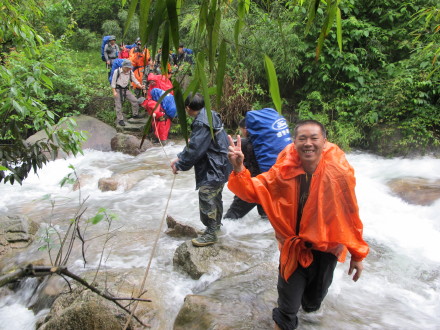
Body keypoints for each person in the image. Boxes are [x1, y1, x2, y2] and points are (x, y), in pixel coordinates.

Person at [227, 120, 369, 330]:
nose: (308, 143)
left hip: (326, 250)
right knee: (287, 310)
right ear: (294, 142)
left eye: (314, 138)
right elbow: (254, 191)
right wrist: (239, 168)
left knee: (312, 305)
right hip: (293, 249)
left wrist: (357, 254)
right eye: (302, 138)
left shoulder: (338, 173)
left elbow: (350, 214)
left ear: (324, 141)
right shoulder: (283, 170)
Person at [171, 93, 232, 247]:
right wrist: (180, 156)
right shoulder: (210, 115)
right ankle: (215, 227)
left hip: (215, 166)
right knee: (215, 195)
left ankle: (211, 233)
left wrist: (180, 165)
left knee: (206, 194)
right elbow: (196, 143)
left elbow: (196, 149)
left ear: (187, 108)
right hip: (223, 163)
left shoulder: (201, 123)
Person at [224, 118, 266, 219]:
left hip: (250, 184)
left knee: (231, 218)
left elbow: (225, 148)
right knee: (266, 218)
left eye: (241, 129)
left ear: (246, 129)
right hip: (266, 185)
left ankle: (224, 235)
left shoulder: (244, 143)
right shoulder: (265, 143)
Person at [139, 71, 174, 143]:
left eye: (152, 81)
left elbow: (157, 104)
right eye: (150, 82)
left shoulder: (162, 83)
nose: (151, 83)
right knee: (157, 127)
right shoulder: (151, 91)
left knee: (162, 128)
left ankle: (163, 141)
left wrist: (155, 112)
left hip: (162, 113)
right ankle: (160, 140)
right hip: (159, 114)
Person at [110, 59, 145, 127]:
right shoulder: (117, 72)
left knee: (134, 100)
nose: (129, 69)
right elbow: (113, 82)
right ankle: (120, 119)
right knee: (118, 105)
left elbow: (134, 79)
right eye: (128, 67)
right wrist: (114, 91)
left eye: (130, 68)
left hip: (125, 89)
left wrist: (140, 85)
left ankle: (135, 114)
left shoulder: (130, 72)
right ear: (124, 67)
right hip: (118, 89)